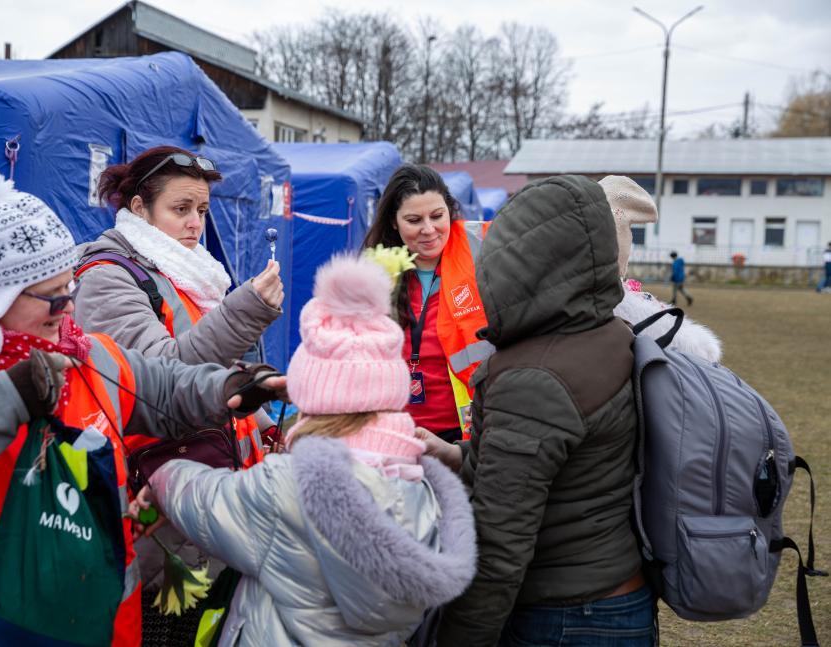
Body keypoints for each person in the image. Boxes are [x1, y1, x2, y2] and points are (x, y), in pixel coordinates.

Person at [0, 160, 286, 647]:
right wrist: (8, 397)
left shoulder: (84, 353)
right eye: (50, 295)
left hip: (88, 623)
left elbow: (169, 386)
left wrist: (237, 385)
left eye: (69, 288)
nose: (68, 308)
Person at [133, 254, 478, 646]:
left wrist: (164, 476)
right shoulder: (422, 488)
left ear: (314, 394)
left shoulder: (288, 488)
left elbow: (206, 501)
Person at [425, 175, 655, 646]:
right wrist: (454, 455)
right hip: (618, 599)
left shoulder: (533, 378)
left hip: (566, 618)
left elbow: (498, 548)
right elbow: (559, 463)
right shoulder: (608, 334)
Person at [73, 146, 285, 639]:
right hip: (159, 508)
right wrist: (245, 311)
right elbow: (164, 380)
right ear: (140, 210)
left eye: (202, 211)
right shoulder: (108, 279)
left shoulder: (188, 272)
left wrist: (270, 427)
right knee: (166, 627)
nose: (195, 224)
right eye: (181, 209)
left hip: (211, 494)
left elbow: (220, 373)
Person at [362, 164, 492, 443]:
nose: (429, 229)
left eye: (437, 215)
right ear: (394, 222)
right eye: (414, 220)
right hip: (394, 433)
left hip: (469, 431)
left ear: (450, 209)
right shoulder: (376, 271)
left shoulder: (484, 247)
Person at [602, 176, 722, 362]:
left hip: (677, 279)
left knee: (679, 291)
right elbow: (705, 351)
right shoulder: (612, 299)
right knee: (678, 292)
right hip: (677, 280)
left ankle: (684, 297)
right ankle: (683, 297)